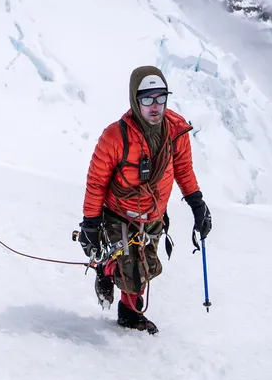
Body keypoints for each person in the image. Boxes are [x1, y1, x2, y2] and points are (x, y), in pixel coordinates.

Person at [77, 66, 212, 335]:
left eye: (160, 98)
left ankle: (111, 274)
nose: (155, 106)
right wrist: (91, 222)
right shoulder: (114, 138)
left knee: (146, 265)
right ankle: (129, 312)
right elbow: (97, 182)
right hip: (119, 214)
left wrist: (198, 204)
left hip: (154, 215)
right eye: (147, 99)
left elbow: (183, 169)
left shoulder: (176, 131)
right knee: (133, 269)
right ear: (135, 100)